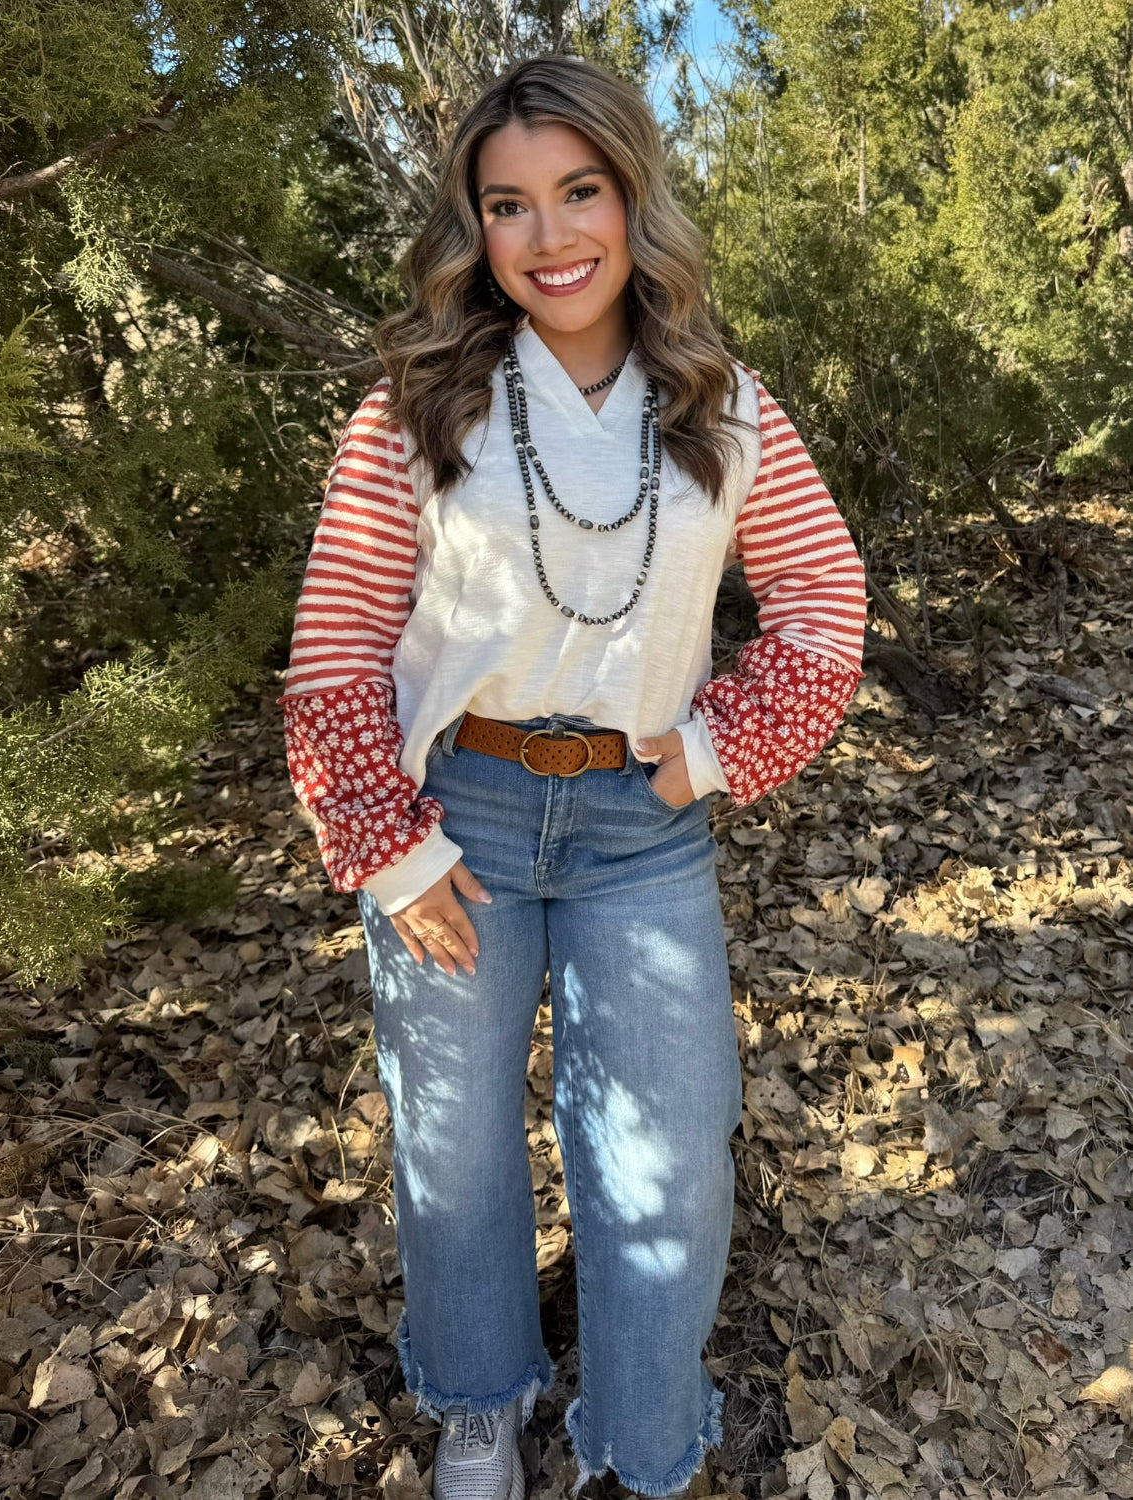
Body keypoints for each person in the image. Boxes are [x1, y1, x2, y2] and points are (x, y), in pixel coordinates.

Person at [279, 52, 867, 1500]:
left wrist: (715, 749)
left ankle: (644, 1445)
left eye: (580, 191)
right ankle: (480, 1397)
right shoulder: (417, 406)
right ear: (474, 227)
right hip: (455, 820)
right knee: (456, 1142)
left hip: (639, 829)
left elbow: (823, 603)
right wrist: (387, 846)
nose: (549, 237)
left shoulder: (724, 406)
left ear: (632, 197)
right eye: (508, 205)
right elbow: (336, 644)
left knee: (667, 1158)